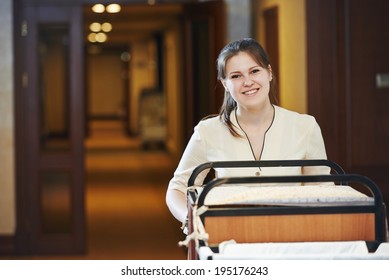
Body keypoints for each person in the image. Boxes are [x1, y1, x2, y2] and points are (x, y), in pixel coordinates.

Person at [166, 38, 330, 228]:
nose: (247, 82)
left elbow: (323, 191)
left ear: (269, 73)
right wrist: (191, 220)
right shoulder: (208, 131)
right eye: (236, 76)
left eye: (254, 71)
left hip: (290, 237)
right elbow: (177, 188)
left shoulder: (305, 127)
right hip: (230, 239)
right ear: (225, 84)